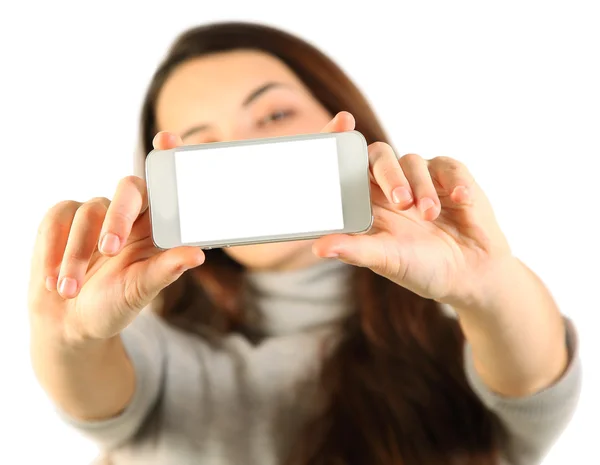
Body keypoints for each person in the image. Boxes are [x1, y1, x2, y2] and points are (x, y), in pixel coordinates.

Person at [27, 22, 581, 465]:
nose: (245, 154)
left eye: (275, 114)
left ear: (343, 121)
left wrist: (485, 282)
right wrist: (72, 337)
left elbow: (535, 377)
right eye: (202, 146)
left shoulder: (461, 342)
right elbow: (89, 393)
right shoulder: (157, 351)